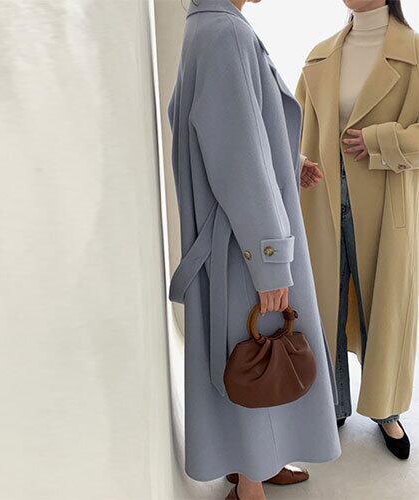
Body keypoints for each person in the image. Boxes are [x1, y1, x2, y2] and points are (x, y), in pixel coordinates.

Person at [168, 1, 341, 498]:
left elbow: (235, 132)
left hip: (237, 235)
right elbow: (237, 157)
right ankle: (250, 484)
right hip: (245, 244)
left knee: (250, 353)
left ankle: (257, 461)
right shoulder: (225, 33)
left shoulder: (207, 25)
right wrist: (270, 261)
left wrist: (290, 161)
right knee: (259, 357)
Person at [297, 0, 418, 460]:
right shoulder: (321, 54)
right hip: (322, 199)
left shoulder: (412, 53)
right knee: (327, 302)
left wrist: (380, 140)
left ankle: (386, 409)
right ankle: (332, 403)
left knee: (383, 306)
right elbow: (292, 125)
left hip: (387, 204)